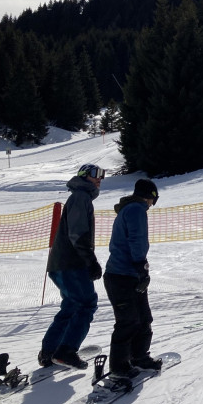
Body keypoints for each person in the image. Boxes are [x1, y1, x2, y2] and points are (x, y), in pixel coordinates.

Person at [39, 163, 105, 370]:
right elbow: (78, 233)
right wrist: (90, 260)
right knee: (86, 303)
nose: (99, 179)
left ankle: (50, 351)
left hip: (61, 263)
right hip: (72, 263)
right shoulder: (81, 197)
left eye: (102, 175)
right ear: (84, 176)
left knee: (71, 305)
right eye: (95, 174)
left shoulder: (79, 196)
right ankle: (66, 350)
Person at [103, 178, 162, 385]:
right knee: (128, 321)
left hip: (128, 274)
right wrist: (140, 264)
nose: (151, 205)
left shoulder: (129, 209)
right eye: (153, 200)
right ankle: (119, 367)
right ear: (150, 196)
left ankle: (139, 356)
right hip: (122, 275)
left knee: (143, 317)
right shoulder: (136, 210)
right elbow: (136, 239)